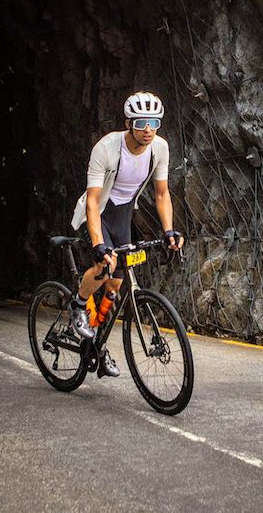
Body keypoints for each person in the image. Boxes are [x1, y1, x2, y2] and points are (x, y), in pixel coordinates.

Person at [68, 91, 184, 378]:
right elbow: (93, 201)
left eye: (154, 123)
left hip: (123, 215)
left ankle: (96, 345)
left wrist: (169, 230)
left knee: (116, 284)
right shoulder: (106, 148)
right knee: (104, 266)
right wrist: (99, 245)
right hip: (98, 212)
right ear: (128, 123)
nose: (148, 129)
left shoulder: (160, 148)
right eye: (142, 122)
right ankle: (78, 305)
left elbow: (161, 194)